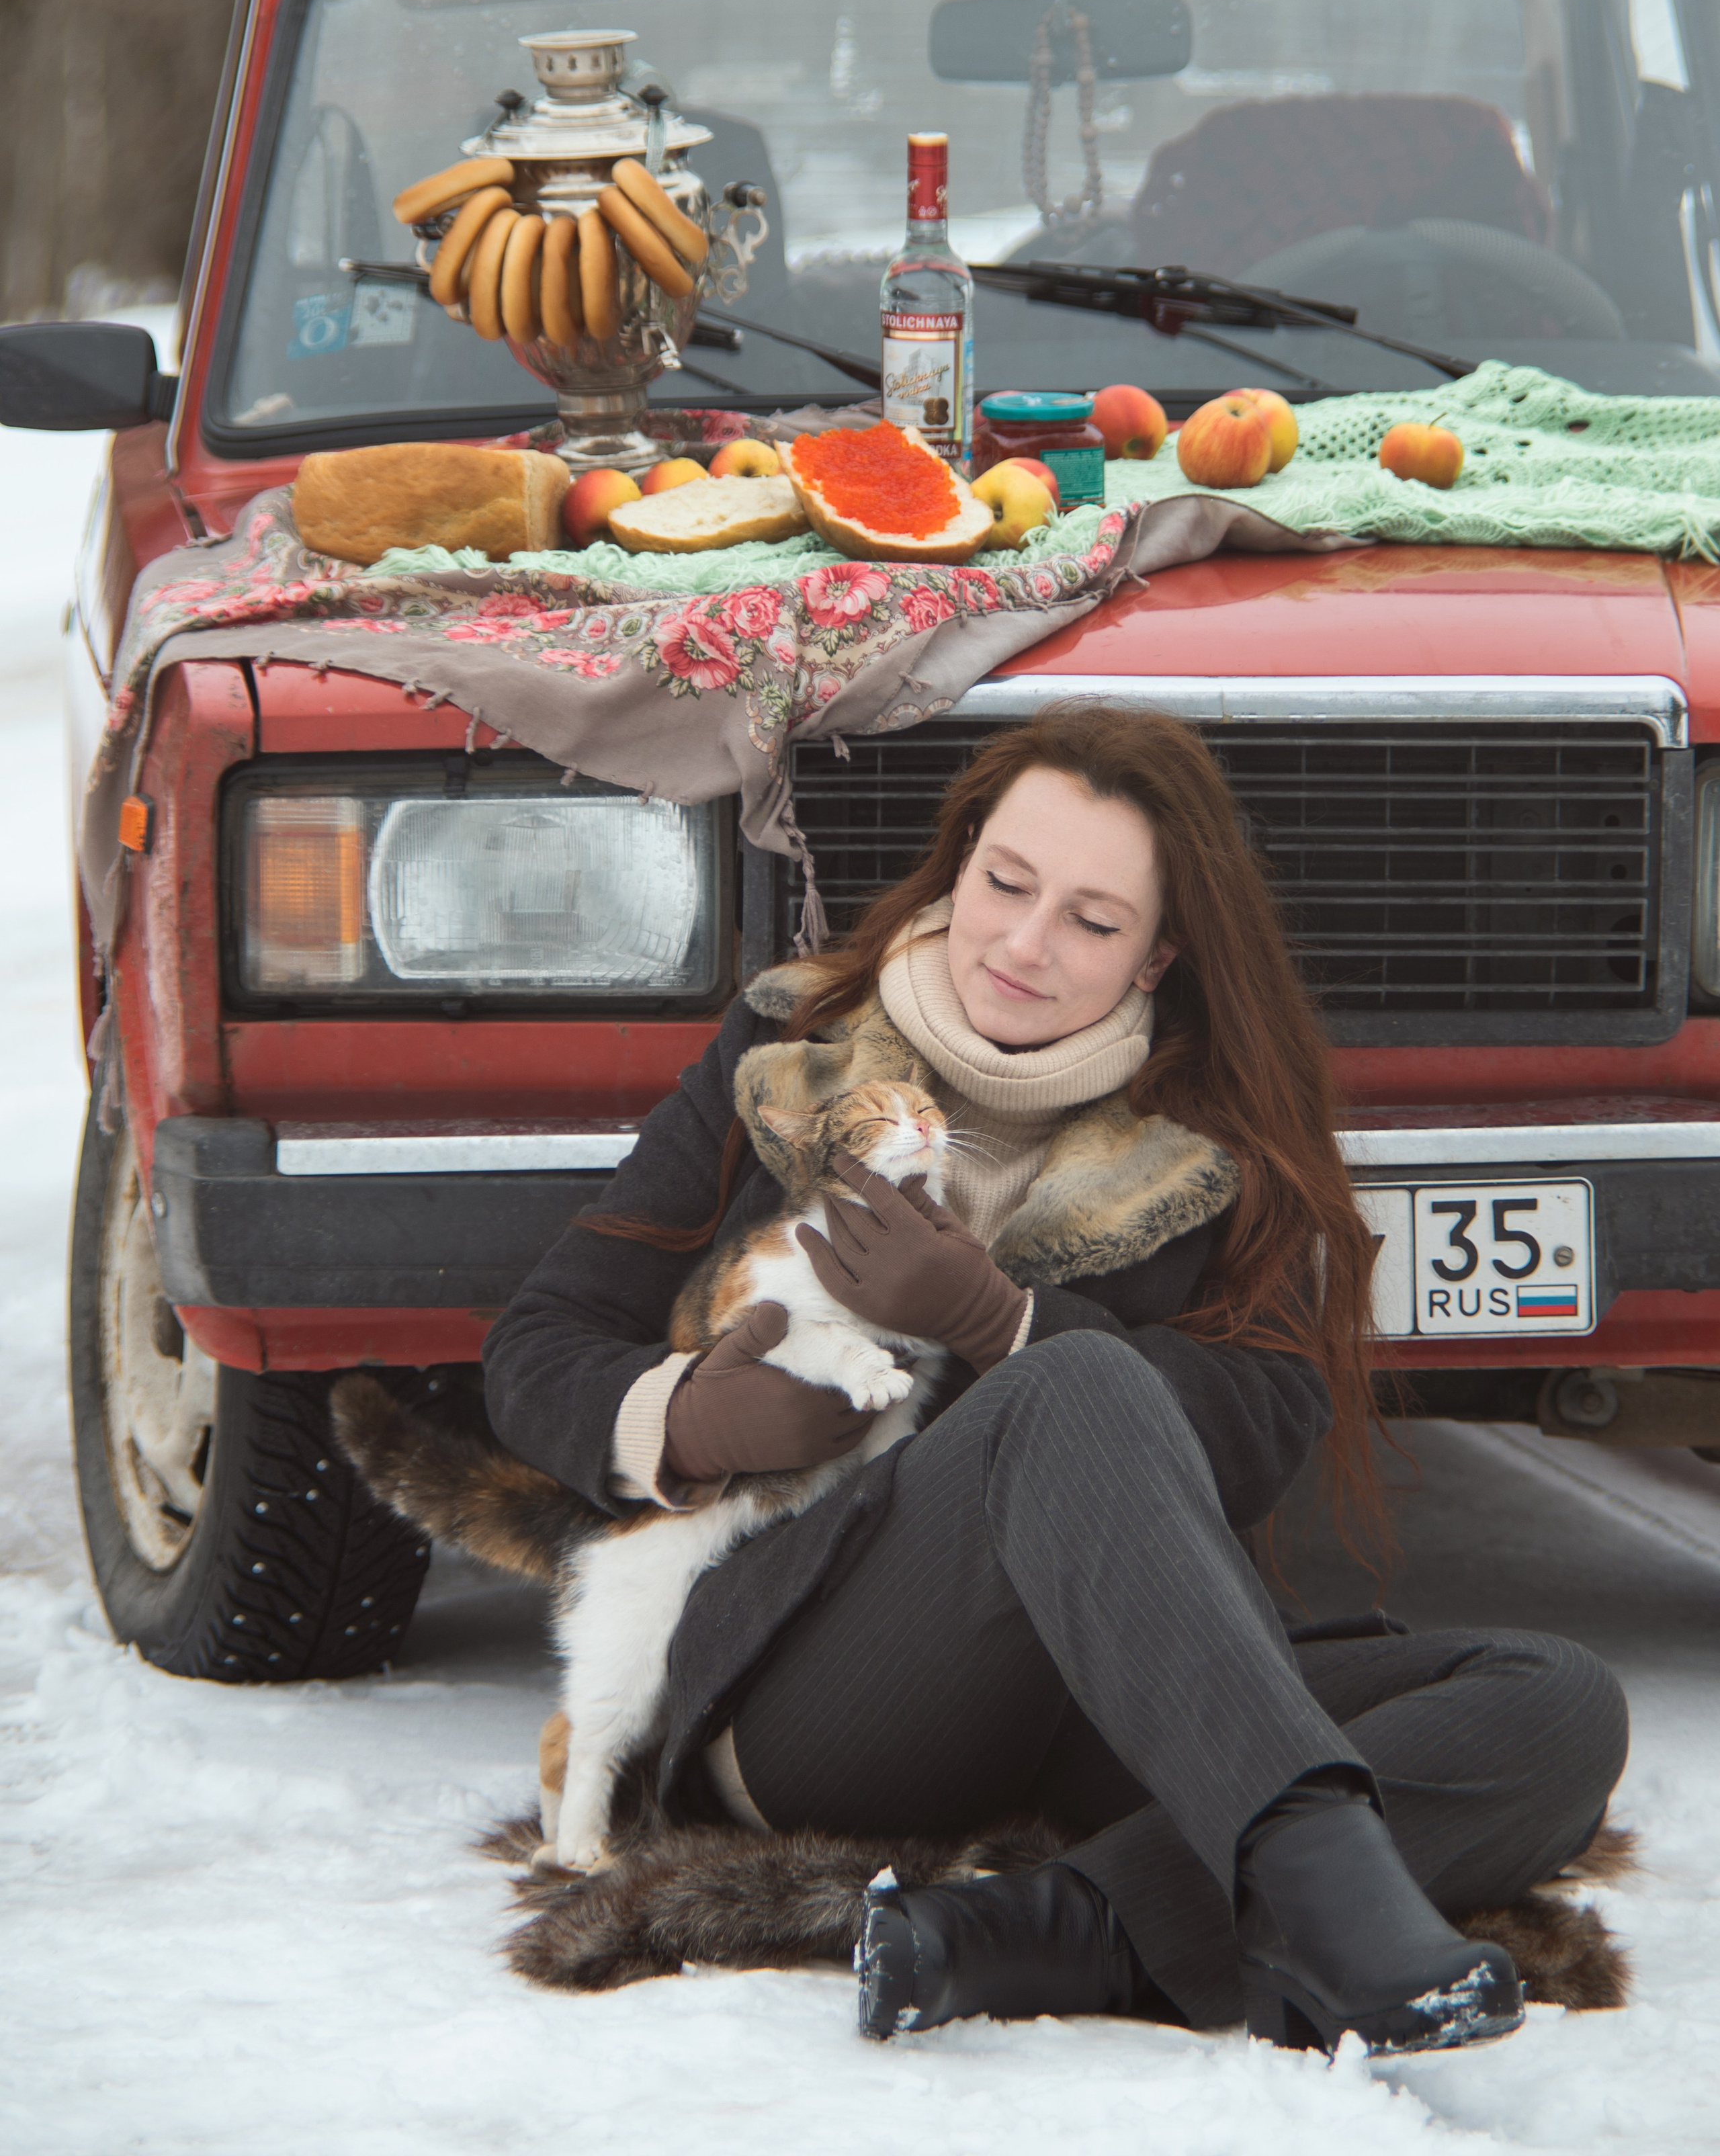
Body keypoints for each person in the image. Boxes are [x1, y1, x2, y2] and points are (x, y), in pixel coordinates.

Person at [482, 705, 1627, 2052]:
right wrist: (687, 1414)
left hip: (1108, 1701)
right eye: (1004, 884)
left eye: (1089, 922)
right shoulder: (788, 1055)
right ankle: (1323, 1916)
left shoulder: (1213, 1143)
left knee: (1556, 1707)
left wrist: (999, 1315)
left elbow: (1254, 1435)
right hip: (815, 1690)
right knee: (1069, 1389)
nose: (1021, 947)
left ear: (1159, 953)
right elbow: (540, 1346)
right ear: (958, 859)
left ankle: (1050, 1928)